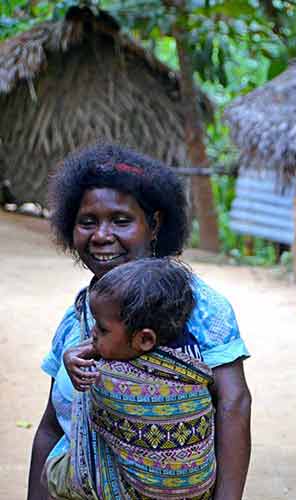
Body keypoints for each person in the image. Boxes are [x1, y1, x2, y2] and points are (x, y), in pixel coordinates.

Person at [27, 143, 251, 500]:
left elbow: (234, 404)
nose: (101, 235)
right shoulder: (78, 319)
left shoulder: (201, 309)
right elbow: (53, 427)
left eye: (121, 220)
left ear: (154, 224)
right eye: (88, 222)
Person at [45, 257, 216, 499]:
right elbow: (121, 346)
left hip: (129, 491)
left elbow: (100, 378)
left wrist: (81, 361)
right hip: (197, 490)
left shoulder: (110, 380)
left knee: (57, 473)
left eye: (101, 329)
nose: (92, 333)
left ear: (146, 340)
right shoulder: (188, 350)